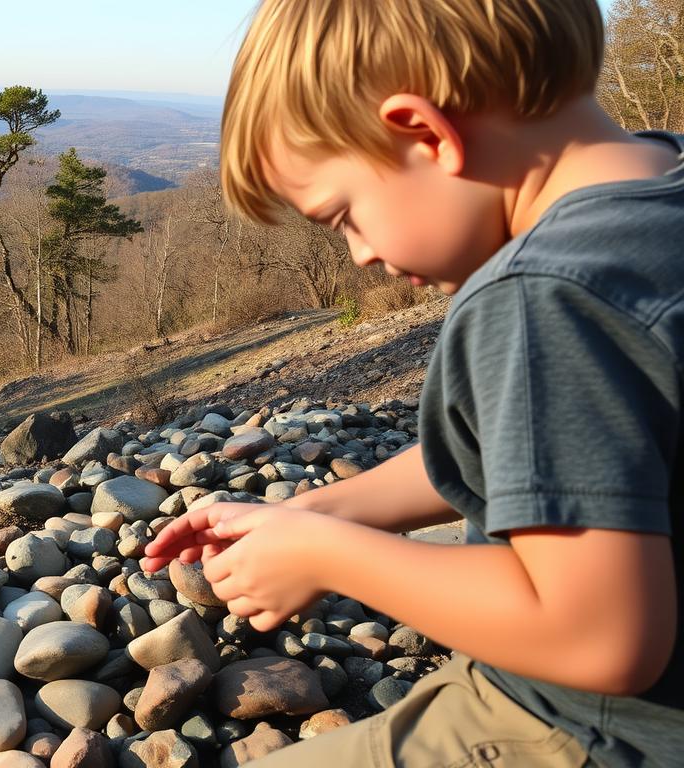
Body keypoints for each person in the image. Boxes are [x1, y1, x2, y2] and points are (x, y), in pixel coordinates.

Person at [140, 0, 684, 765]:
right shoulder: (660, 195)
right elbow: (558, 455)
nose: (359, 254)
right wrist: (316, 510)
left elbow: (597, 640)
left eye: (344, 216)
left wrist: (327, 554)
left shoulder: (538, 298)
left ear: (426, 134)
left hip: (592, 728)